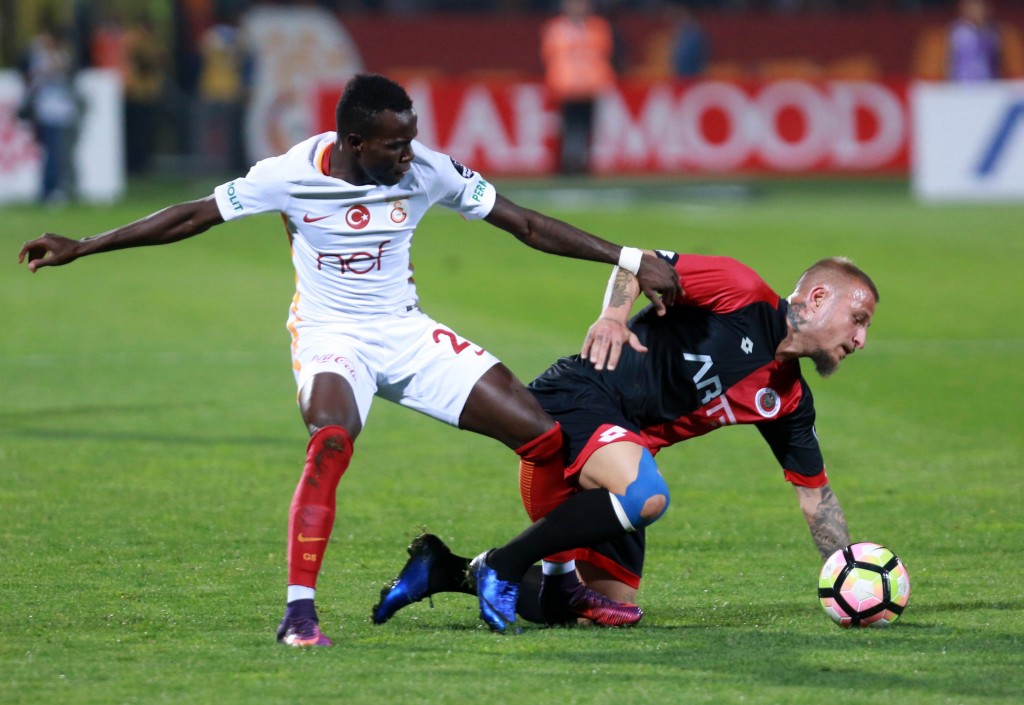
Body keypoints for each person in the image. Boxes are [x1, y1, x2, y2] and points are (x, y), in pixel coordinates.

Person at [18, 73, 680, 647]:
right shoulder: (288, 175)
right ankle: (298, 611)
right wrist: (84, 245)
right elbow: (192, 217)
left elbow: (529, 226)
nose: (408, 154)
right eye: (395, 144)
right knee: (333, 438)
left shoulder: (427, 170)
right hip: (331, 336)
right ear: (352, 143)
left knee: (544, 437)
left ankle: (554, 581)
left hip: (405, 331)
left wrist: (625, 258)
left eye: (410, 139)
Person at [373, 253, 878, 633]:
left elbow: (816, 497)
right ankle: (505, 566)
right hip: (579, 399)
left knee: (592, 608)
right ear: (816, 300)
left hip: (620, 452)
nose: (860, 341)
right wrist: (614, 317)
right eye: (859, 320)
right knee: (646, 496)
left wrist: (850, 576)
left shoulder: (787, 399)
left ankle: (444, 569)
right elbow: (637, 264)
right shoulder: (740, 290)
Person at [540, 0, 617, 175]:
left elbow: (605, 52)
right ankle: (567, 164)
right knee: (566, 127)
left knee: (588, 127)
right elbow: (550, 54)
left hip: (590, 86)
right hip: (565, 86)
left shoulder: (598, 26)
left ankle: (583, 164)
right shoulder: (556, 28)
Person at [18, 22, 81, 204]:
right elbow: (30, 78)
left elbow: (66, 72)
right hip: (47, 112)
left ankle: (55, 189)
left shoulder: (62, 56)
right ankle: (49, 190)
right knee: (52, 153)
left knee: (59, 154)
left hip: (61, 112)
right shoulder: (38, 57)